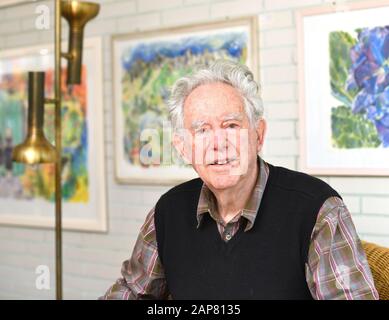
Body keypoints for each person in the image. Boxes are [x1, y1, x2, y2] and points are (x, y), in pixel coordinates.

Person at [101, 60, 378, 300]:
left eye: (231, 126)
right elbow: (132, 291)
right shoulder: (168, 211)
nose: (218, 144)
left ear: (258, 135)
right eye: (202, 130)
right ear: (183, 147)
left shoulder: (318, 210)